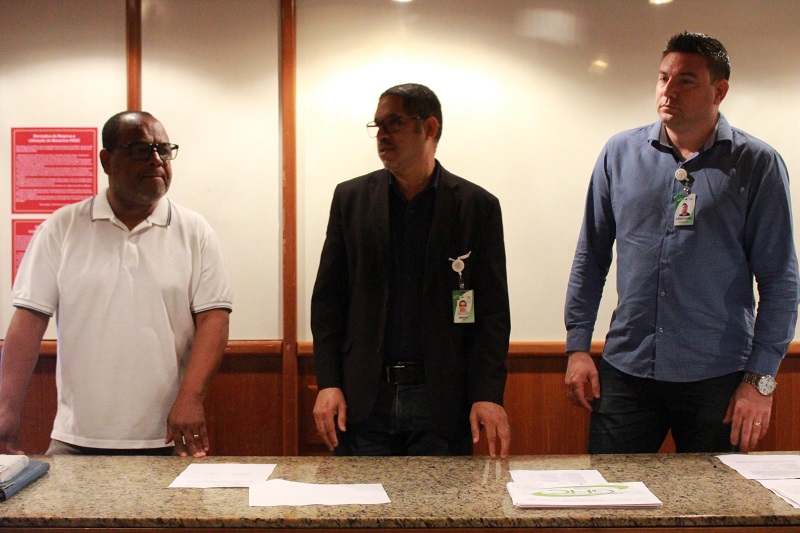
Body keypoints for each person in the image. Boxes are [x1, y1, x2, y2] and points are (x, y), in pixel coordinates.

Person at [564, 32, 799, 454]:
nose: (668, 91)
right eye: (663, 78)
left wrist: (760, 380)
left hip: (718, 378)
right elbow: (591, 257)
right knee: (610, 491)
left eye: (685, 81)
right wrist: (577, 347)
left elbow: (780, 280)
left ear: (719, 91)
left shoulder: (756, 164)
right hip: (627, 371)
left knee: (716, 495)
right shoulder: (619, 153)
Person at [0, 111, 232, 457]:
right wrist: (5, 413)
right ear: (106, 160)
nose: (156, 160)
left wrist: (191, 398)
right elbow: (28, 322)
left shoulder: (195, 231)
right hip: (75, 439)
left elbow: (214, 319)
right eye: (141, 149)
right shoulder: (62, 228)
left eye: (163, 150)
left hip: (168, 438)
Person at [311, 83, 511, 457]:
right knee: (362, 495)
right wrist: (328, 382)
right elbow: (328, 303)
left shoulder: (476, 206)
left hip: (442, 401)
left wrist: (487, 393)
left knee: (440, 497)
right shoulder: (351, 199)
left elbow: (492, 314)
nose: (382, 134)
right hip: (363, 400)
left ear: (429, 128)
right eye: (377, 125)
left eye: (394, 123)